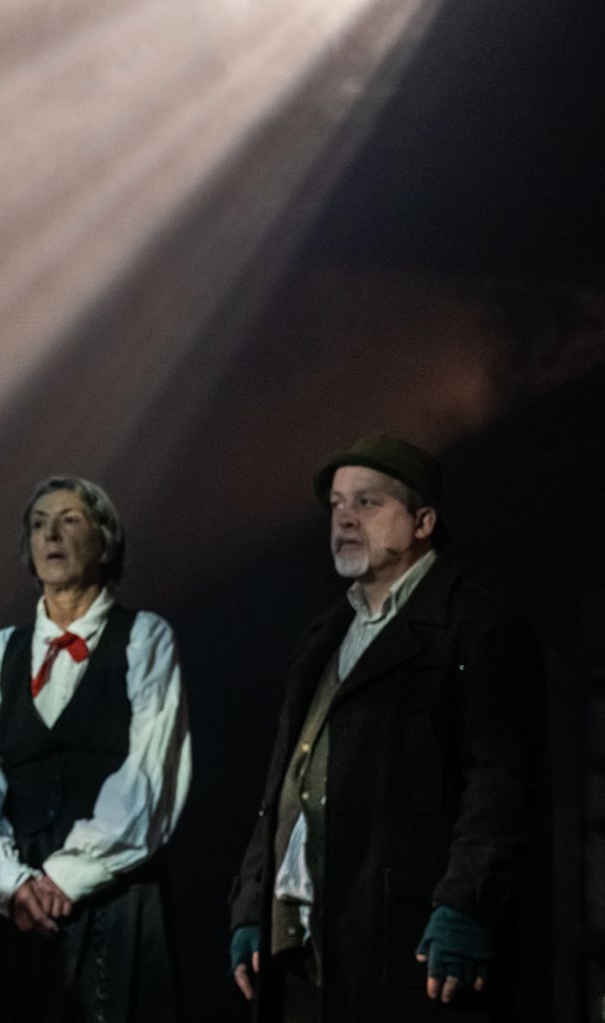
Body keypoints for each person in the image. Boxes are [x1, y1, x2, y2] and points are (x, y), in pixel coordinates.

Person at [227, 434, 542, 1021]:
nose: (345, 518)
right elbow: (284, 782)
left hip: (402, 946)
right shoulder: (324, 637)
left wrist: (465, 905)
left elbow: (500, 784)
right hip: (300, 942)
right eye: (337, 505)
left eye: (368, 503)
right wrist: (253, 902)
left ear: (423, 522)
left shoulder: (477, 629)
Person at [0, 474, 191, 1022]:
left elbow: (151, 774)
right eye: (39, 524)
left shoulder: (144, 638)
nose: (51, 534)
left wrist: (68, 877)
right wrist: (11, 885)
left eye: (69, 520)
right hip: (15, 900)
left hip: (111, 890)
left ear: (103, 542)